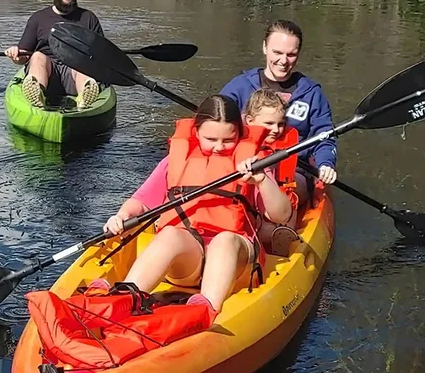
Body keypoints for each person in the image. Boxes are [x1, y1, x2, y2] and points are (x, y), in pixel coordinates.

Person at [86, 94, 292, 318]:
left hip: (236, 262)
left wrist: (262, 181)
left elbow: (281, 215)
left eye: (228, 140)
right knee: (170, 234)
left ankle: (205, 311)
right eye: (211, 139)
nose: (219, 147)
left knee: (225, 240)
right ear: (196, 132)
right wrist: (121, 215)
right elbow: (141, 201)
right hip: (188, 262)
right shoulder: (175, 160)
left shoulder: (254, 164)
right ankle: (124, 298)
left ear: (240, 134)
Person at [219, 20, 338, 202]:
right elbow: (215, 123)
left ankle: (280, 221)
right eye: (277, 52)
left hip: (293, 171)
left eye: (291, 55)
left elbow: (325, 136)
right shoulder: (239, 87)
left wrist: (325, 163)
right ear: (265, 48)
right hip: (243, 165)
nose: (283, 61)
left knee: (280, 191)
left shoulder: (312, 93)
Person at [4, 0, 104, 109]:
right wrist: (15, 54)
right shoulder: (38, 18)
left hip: (75, 76)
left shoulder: (88, 18)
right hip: (47, 76)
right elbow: (23, 57)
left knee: (82, 59)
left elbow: (102, 56)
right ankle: (37, 92)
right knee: (38, 56)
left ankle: (85, 96)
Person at [241, 89, 302, 254]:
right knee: (268, 227)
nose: (276, 129)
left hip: (274, 201)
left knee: (293, 199)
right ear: (249, 120)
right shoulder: (236, 143)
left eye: (281, 124)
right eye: (269, 123)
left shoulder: (282, 142)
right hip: (251, 207)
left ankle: (284, 236)